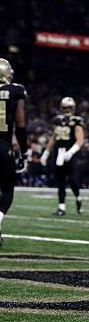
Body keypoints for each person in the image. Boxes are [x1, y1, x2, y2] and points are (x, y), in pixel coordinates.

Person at [41, 97, 85, 216]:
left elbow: (80, 140)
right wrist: (46, 153)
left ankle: (78, 198)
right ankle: (62, 207)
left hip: (71, 154)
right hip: (58, 153)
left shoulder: (76, 121)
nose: (67, 110)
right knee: (60, 180)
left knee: (73, 180)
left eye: (69, 108)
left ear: (74, 108)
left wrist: (71, 152)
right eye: (65, 108)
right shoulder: (57, 120)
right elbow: (53, 138)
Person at [0, 59, 27, 246]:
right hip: (3, 146)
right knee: (7, 191)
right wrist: (24, 151)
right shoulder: (16, 90)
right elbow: (21, 124)